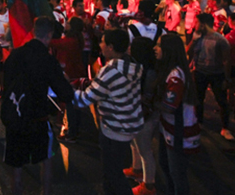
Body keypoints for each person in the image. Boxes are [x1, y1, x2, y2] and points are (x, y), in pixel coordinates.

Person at [3, 16, 74, 195]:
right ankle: (45, 192)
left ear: (34, 31)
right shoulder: (47, 59)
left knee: (16, 164)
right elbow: (65, 92)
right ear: (49, 35)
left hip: (15, 115)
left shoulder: (16, 55)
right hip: (38, 117)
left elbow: (7, 83)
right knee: (46, 158)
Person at [74, 28, 144, 195]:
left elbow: (85, 99)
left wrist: (65, 89)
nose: (100, 45)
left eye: (103, 42)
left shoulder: (111, 70)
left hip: (114, 128)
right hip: (128, 124)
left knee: (112, 175)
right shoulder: (132, 65)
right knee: (114, 170)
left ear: (111, 47)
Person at [154, 33, 200, 195]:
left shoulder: (175, 76)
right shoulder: (170, 71)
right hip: (169, 128)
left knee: (177, 174)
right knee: (166, 166)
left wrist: (148, 102)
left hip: (179, 132)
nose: (155, 48)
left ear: (169, 50)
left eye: (159, 45)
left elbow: (169, 106)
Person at [186, 13, 233, 140]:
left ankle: (225, 128)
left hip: (217, 74)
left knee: (222, 101)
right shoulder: (198, 38)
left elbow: (226, 60)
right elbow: (188, 52)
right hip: (200, 72)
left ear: (202, 24)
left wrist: (226, 78)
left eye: (196, 22)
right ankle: (199, 122)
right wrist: (194, 40)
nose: (194, 25)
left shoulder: (220, 40)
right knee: (198, 99)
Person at [124, 37, 159, 195]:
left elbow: (147, 96)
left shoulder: (149, 72)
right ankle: (136, 169)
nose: (129, 49)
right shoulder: (142, 68)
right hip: (138, 112)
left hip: (145, 114)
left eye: (133, 47)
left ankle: (149, 185)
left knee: (145, 149)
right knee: (134, 143)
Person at [49, 17, 85, 143]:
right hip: (75, 73)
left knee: (71, 105)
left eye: (68, 23)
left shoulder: (70, 41)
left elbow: (53, 43)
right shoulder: (76, 39)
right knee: (74, 105)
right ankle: (72, 129)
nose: (66, 24)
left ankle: (71, 132)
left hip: (71, 75)